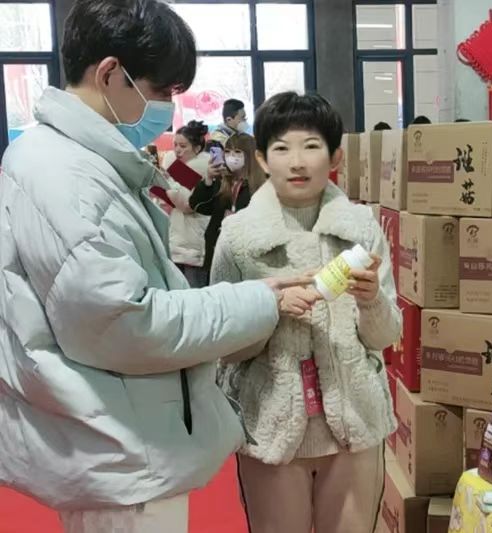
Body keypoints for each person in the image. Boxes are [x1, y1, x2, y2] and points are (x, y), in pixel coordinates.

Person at [0, 1, 310, 531]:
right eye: (162, 90)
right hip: (120, 453)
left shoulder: (75, 162)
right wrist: (259, 301)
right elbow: (126, 322)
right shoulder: (68, 175)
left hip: (118, 437)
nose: (168, 106)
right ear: (110, 74)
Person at [212, 91, 400, 533]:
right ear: (262, 159)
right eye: (281, 148)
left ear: (334, 156)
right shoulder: (237, 237)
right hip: (270, 425)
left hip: (354, 422)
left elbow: (385, 335)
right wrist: (269, 310)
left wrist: (371, 299)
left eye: (311, 146)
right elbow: (224, 344)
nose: (297, 162)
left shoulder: (361, 229)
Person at [190, 132, 265, 275]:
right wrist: (208, 180)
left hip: (247, 256)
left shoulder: (260, 186)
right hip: (217, 250)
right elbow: (198, 206)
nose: (231, 156)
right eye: (228, 152)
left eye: (237, 152)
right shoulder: (222, 182)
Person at [161, 120, 212, 286]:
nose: (177, 150)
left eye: (183, 146)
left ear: (197, 148)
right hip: (180, 238)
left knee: (195, 290)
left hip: (194, 241)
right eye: (175, 145)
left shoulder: (201, 167)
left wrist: (166, 181)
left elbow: (185, 203)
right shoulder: (178, 167)